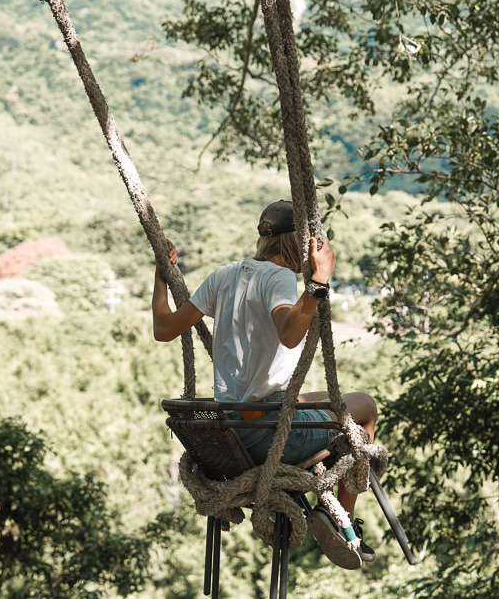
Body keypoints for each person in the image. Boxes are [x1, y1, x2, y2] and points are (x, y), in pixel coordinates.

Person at [152, 200, 379, 569]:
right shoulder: (280, 279)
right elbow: (290, 334)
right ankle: (340, 518)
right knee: (365, 407)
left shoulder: (223, 275)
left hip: (231, 433)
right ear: (300, 243)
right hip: (268, 436)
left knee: (325, 401)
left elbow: (164, 330)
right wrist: (318, 282)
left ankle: (332, 512)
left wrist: (161, 280)